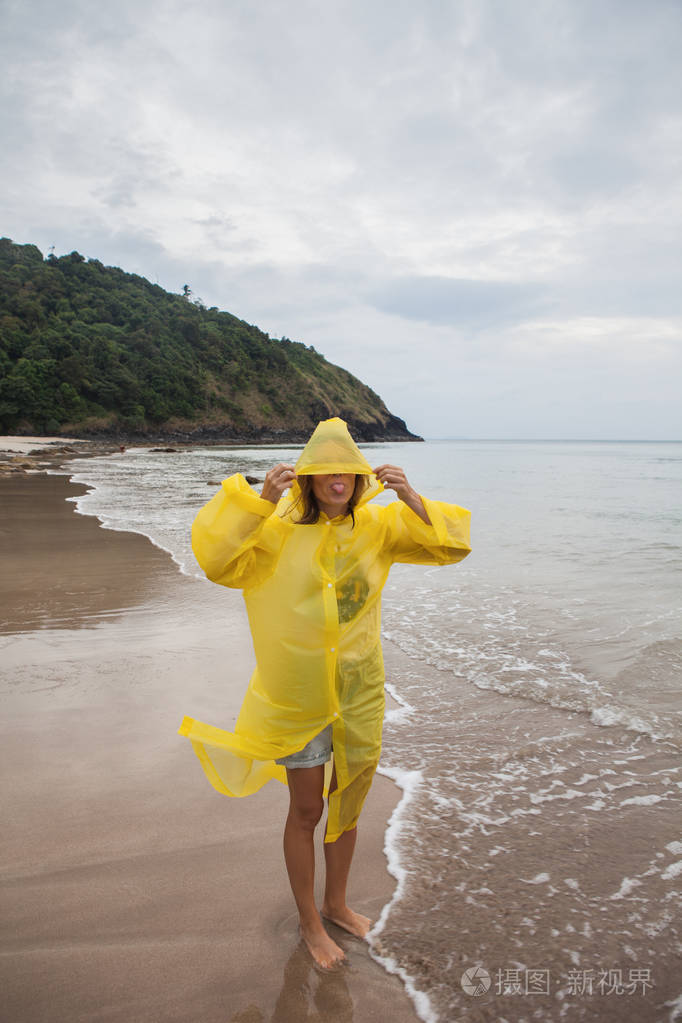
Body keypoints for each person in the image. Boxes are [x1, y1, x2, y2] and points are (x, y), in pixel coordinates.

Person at [179, 418, 471, 968]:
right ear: (308, 478)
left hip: (359, 691)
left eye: (348, 470)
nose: (338, 480)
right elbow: (218, 560)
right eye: (325, 471)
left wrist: (409, 495)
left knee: (349, 805)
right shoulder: (278, 528)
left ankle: (337, 905)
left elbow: (450, 545)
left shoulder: (379, 526)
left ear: (361, 476)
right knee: (307, 809)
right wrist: (260, 501)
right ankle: (310, 923)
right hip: (299, 695)